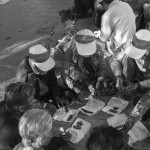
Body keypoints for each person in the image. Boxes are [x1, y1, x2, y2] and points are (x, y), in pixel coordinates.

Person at [94, 0, 136, 91]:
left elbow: (102, 39)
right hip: (133, 41)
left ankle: (125, 80)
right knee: (116, 57)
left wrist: (92, 38)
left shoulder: (107, 15)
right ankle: (122, 77)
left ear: (103, 4)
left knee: (113, 59)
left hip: (125, 48)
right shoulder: (125, 4)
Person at [61, 29, 110, 100]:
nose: (87, 55)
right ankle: (68, 37)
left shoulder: (98, 49)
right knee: (77, 79)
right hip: (76, 68)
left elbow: (102, 67)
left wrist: (99, 81)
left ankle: (87, 82)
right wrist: (73, 87)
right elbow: (64, 73)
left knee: (94, 79)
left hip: (89, 68)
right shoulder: (70, 50)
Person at [122, 29, 150, 121]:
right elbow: (128, 64)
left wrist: (139, 85)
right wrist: (130, 82)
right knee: (127, 59)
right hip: (141, 78)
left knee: (144, 103)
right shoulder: (131, 48)